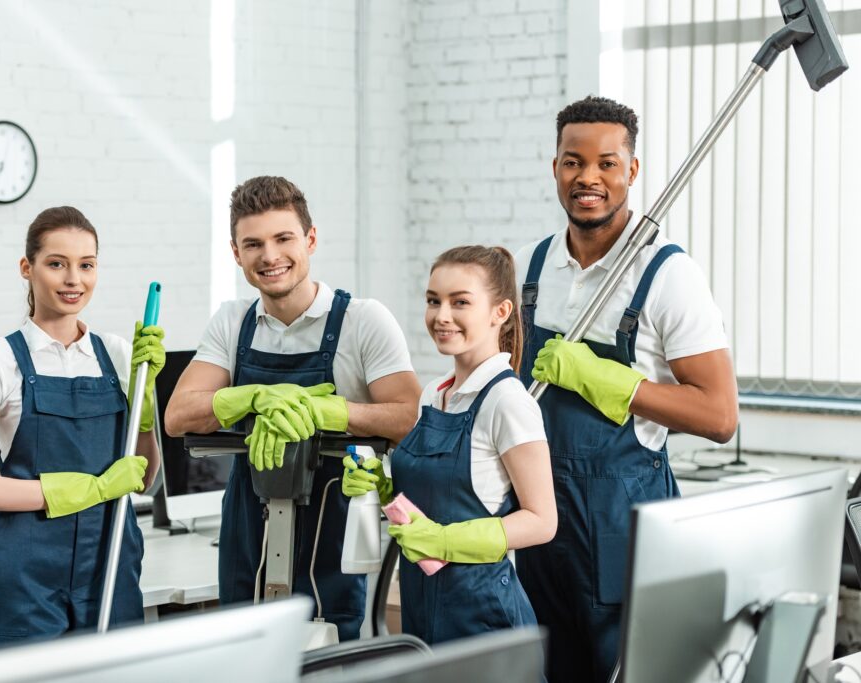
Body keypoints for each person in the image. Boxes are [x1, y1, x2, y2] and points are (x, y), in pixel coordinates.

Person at [513, 96, 738, 682]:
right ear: (555, 166)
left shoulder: (668, 275)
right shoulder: (534, 268)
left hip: (625, 529)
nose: (589, 178)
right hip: (544, 528)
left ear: (631, 171)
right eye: (573, 161)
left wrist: (612, 381)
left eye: (607, 163)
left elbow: (719, 416)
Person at [165, 176, 421, 641]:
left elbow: (408, 416)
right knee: (243, 651)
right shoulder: (233, 321)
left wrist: (328, 413)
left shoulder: (362, 321)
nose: (269, 256)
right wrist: (255, 398)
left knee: (326, 652)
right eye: (253, 244)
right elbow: (179, 414)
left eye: (283, 238)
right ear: (235, 252)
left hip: (334, 521)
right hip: (247, 521)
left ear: (311, 239)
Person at [0, 206, 165, 651]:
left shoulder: (117, 353)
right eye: (57, 263)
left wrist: (146, 408)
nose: (74, 279)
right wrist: (89, 489)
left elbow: (143, 479)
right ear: (27, 267)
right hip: (22, 583)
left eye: (86, 265)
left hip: (110, 566)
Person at [342, 245, 556, 646]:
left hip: (484, 617)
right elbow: (433, 497)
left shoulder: (507, 401)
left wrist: (445, 542)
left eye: (460, 302)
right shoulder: (433, 395)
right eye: (433, 301)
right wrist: (383, 487)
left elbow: (542, 521)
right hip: (423, 610)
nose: (441, 316)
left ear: (501, 312)